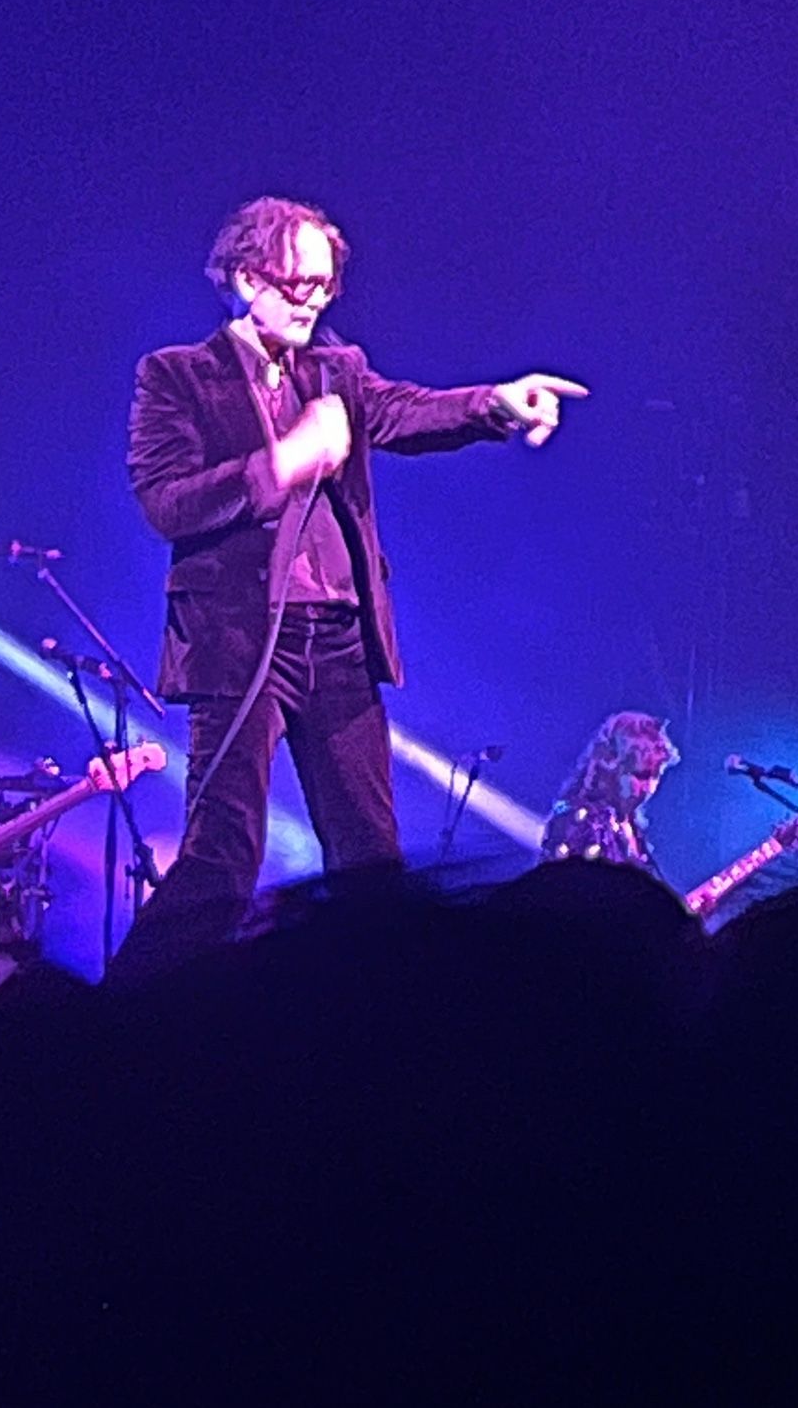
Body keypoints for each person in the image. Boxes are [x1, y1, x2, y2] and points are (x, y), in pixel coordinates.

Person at [109, 193, 586, 982]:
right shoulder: (177, 376)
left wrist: (495, 404)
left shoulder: (338, 369)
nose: (313, 301)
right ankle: (119, 1017)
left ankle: (374, 1029)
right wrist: (288, 460)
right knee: (223, 857)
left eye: (325, 285)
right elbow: (167, 504)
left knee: (369, 858)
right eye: (296, 283)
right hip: (241, 644)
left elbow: (408, 411)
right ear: (241, 276)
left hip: (338, 640)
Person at [540, 711, 680, 877]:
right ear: (610, 764)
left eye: (655, 777)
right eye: (640, 775)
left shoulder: (631, 826)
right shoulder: (578, 824)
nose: (649, 788)